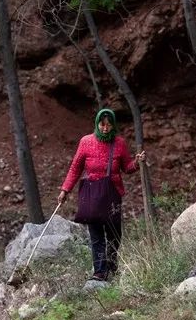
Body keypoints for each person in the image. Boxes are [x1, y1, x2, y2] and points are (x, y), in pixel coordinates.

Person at [58, 108, 145, 281]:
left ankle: (111, 267)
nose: (105, 128)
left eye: (109, 125)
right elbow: (75, 168)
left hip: (112, 195)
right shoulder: (86, 142)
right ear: (97, 124)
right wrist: (65, 190)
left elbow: (126, 167)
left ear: (113, 125)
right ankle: (99, 272)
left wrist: (136, 162)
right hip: (92, 195)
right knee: (96, 235)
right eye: (102, 124)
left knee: (115, 233)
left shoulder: (119, 143)